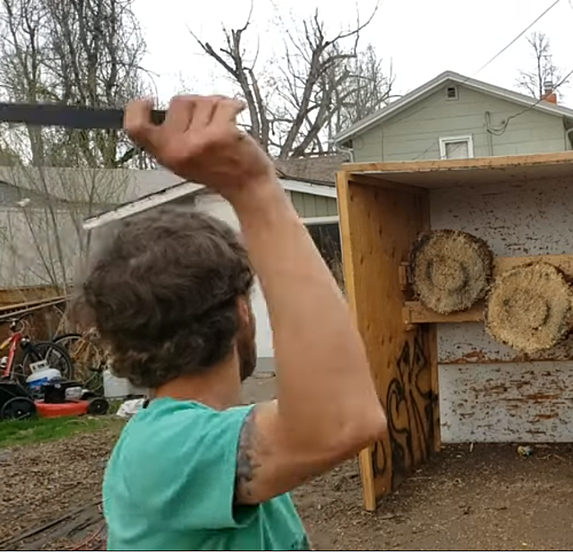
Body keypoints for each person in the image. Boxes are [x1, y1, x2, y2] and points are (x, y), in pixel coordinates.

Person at [81, 95, 387, 550]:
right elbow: (343, 421)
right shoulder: (165, 450)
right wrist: (251, 187)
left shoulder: (203, 440)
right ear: (242, 310)